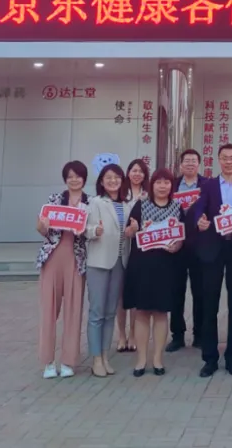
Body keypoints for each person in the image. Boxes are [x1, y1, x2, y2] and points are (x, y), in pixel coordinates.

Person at [189, 143, 232, 377]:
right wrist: (199, 220)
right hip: (212, 249)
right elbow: (198, 209)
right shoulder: (208, 185)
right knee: (210, 304)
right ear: (219, 160)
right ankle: (209, 358)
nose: (229, 162)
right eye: (225, 158)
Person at [122, 168, 184, 377]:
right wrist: (132, 230)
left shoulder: (177, 207)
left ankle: (157, 359)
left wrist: (177, 245)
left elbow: (182, 235)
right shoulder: (141, 205)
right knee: (142, 313)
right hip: (142, 266)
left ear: (171, 186)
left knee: (161, 313)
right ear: (152, 185)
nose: (162, 186)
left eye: (167, 182)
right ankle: (141, 360)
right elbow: (128, 231)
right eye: (159, 182)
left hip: (166, 267)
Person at [35, 160, 90, 379]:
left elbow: (92, 232)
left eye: (78, 176)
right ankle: (48, 361)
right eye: (70, 176)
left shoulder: (90, 203)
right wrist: (42, 226)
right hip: (53, 258)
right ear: (65, 179)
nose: (74, 180)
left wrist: (90, 230)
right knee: (49, 310)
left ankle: (68, 360)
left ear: (84, 178)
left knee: (73, 311)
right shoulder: (54, 200)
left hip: (77, 260)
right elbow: (41, 229)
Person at [84, 162, 132, 378]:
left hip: (120, 262)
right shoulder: (95, 202)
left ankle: (104, 355)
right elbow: (84, 229)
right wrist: (95, 230)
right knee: (97, 312)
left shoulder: (127, 204)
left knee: (111, 312)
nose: (113, 181)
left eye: (117, 177)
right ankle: (95, 358)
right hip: (99, 262)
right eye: (109, 178)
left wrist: (133, 230)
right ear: (102, 182)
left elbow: (130, 231)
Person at [168, 149, 205, 352]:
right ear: (180, 165)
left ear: (199, 164)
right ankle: (177, 335)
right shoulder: (171, 184)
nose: (190, 164)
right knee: (176, 291)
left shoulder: (207, 185)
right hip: (176, 244)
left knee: (200, 291)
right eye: (187, 161)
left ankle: (199, 334)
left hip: (200, 245)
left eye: (194, 160)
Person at [116, 157, 149, 354]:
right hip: (121, 246)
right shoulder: (119, 193)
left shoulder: (148, 195)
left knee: (135, 293)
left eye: (140, 171)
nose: (137, 174)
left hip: (140, 249)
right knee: (121, 295)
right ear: (128, 173)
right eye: (134, 170)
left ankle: (133, 334)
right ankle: (121, 335)